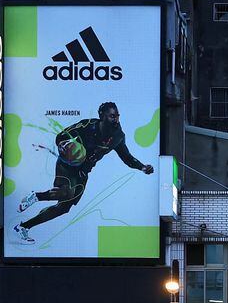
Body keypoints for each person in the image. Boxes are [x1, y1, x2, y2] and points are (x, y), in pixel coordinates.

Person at [13, 101, 155, 244]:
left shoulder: (118, 136)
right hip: (67, 165)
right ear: (102, 116)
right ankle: (35, 196)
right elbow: (62, 135)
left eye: (117, 116)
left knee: (64, 208)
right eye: (112, 116)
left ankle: (23, 227)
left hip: (83, 172)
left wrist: (142, 167)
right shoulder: (87, 125)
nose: (116, 119)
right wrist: (62, 144)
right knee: (65, 192)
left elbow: (127, 157)